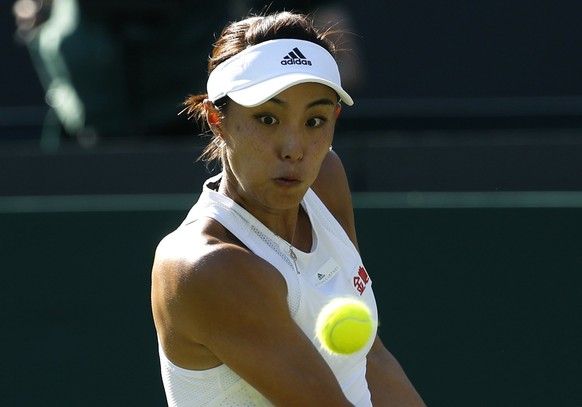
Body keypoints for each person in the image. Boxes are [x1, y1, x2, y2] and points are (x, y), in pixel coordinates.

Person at [151, 11, 425, 407]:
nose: (294, 149)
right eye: (267, 118)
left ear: (335, 119)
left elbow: (371, 359)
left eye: (314, 120)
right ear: (217, 119)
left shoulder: (324, 178)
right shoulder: (206, 266)